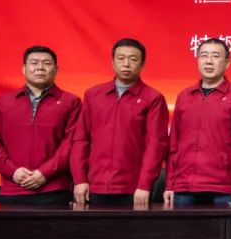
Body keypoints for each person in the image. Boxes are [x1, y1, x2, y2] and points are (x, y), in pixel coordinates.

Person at [71, 38, 168, 207]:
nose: (126, 64)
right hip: (94, 185)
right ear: (112, 62)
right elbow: (81, 140)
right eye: (121, 58)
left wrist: (144, 185)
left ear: (142, 65)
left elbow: (155, 145)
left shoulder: (153, 98)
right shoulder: (93, 95)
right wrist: (79, 180)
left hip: (134, 189)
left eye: (133, 59)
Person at [0, 45, 81, 205]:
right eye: (34, 63)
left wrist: (44, 173)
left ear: (56, 69)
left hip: (54, 189)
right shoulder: (4, 102)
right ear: (24, 69)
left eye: (46, 63)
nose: (40, 68)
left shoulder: (70, 102)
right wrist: (13, 171)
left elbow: (71, 143)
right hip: (12, 188)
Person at [163, 38, 231, 206]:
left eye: (215, 56)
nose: (209, 61)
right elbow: (174, 145)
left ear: (227, 63)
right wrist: (170, 184)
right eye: (204, 56)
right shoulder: (184, 96)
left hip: (224, 188)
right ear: (198, 60)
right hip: (184, 186)